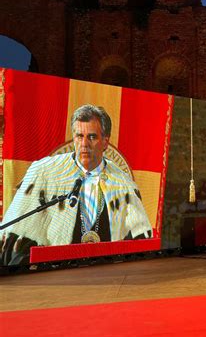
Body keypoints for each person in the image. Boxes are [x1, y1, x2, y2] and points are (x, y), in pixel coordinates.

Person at [0, 104, 152, 266]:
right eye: (79, 136)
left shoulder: (123, 184)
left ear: (105, 142)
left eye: (92, 137)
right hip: (54, 275)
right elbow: (19, 231)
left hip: (105, 276)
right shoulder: (43, 172)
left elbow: (139, 239)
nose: (84, 144)